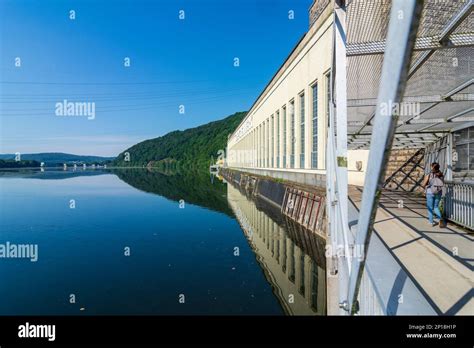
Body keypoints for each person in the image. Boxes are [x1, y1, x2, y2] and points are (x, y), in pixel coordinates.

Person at [422, 162, 444, 226]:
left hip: (430, 192)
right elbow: (442, 183)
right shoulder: (441, 175)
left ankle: (431, 222)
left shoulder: (429, 174)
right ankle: (440, 218)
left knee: (430, 208)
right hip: (438, 192)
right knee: (436, 207)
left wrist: (426, 184)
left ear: (432, 167)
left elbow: (423, 184)